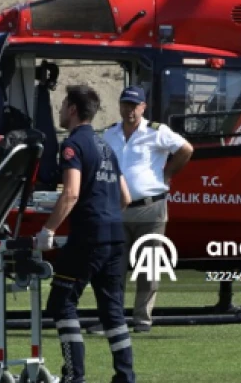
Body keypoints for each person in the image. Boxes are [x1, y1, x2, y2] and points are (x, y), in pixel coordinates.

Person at [35, 85, 135, 383]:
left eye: (64, 104)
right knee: (113, 312)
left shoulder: (73, 144)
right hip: (115, 235)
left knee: (62, 303)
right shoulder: (106, 146)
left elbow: (71, 193)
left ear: (73, 109)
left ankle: (73, 376)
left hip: (89, 238)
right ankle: (125, 377)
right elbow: (125, 196)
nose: (61, 109)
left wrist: (48, 229)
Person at [100, 86, 193, 333]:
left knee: (148, 266)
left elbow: (186, 149)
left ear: (143, 107)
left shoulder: (157, 132)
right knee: (113, 267)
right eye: (126, 105)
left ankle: (142, 318)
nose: (130, 110)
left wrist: (169, 173)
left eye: (135, 105)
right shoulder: (109, 134)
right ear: (119, 106)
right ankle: (113, 318)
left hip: (150, 208)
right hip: (118, 208)